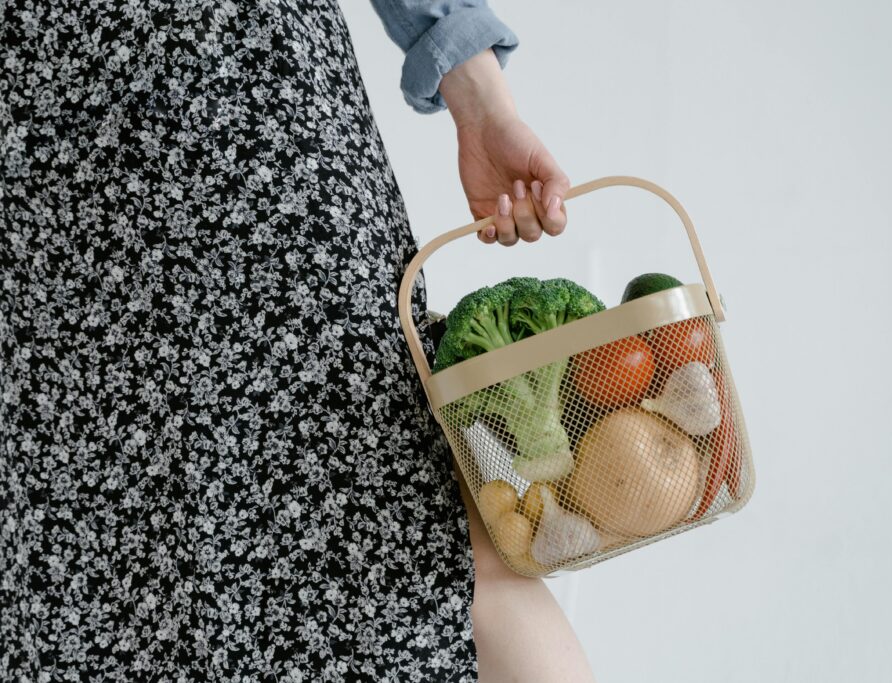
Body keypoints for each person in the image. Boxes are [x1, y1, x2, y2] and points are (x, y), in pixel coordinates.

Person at [0, 1, 594, 681]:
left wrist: (481, 99)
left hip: (243, 104)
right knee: (88, 576)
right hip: (38, 176)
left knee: (420, 539)